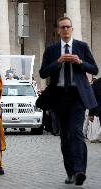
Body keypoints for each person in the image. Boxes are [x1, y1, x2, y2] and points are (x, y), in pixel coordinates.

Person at [39, 17, 98, 186]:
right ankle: (70, 172)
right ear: (58, 30)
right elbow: (43, 73)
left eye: (68, 27)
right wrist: (57, 62)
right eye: (62, 27)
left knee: (76, 132)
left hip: (77, 96)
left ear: (72, 29)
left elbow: (94, 69)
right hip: (59, 97)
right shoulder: (51, 50)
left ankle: (80, 171)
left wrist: (80, 62)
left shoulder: (82, 46)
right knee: (65, 136)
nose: (65, 30)